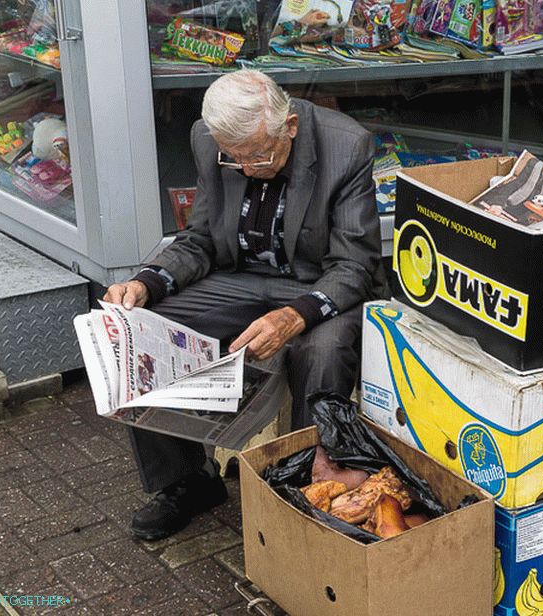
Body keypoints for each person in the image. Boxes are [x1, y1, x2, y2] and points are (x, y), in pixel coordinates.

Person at [103, 70, 386, 540]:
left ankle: (298, 488)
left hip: (320, 283)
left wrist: (294, 315)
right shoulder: (210, 140)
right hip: (241, 277)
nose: (248, 169)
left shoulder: (346, 146)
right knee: (141, 328)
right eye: (235, 161)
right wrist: (147, 282)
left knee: (319, 350)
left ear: (290, 126)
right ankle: (188, 481)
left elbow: (355, 265)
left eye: (259, 156)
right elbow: (201, 239)